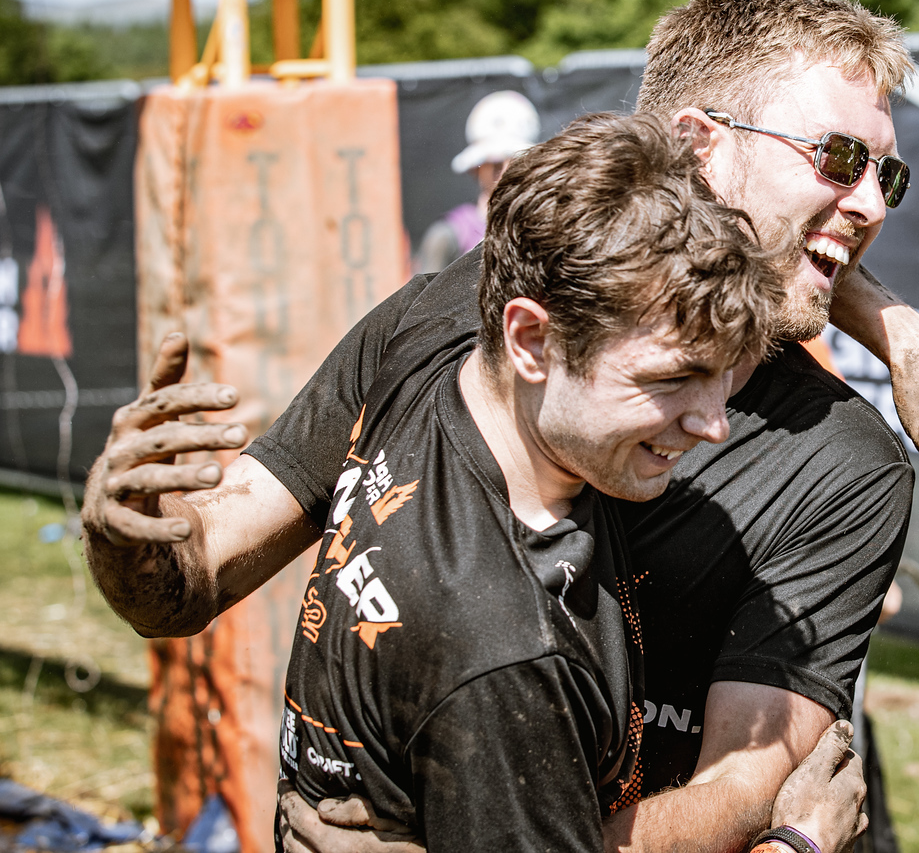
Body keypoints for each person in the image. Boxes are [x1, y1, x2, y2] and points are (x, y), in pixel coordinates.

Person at [82, 0, 919, 853]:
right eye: (838, 157)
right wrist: (126, 534)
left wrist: (903, 333)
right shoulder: (461, 305)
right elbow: (189, 577)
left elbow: (750, 778)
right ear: (699, 144)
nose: (870, 203)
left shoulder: (843, 464)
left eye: (887, 176)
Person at [280, 111, 791, 850]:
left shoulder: (440, 361)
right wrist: (800, 843)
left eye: (724, 375)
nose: (714, 424)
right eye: (672, 378)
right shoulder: (508, 655)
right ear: (530, 339)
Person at [413, 90, 539, 274]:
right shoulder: (450, 234)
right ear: (475, 168)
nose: (506, 171)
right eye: (496, 164)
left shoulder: (542, 226)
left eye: (516, 162)